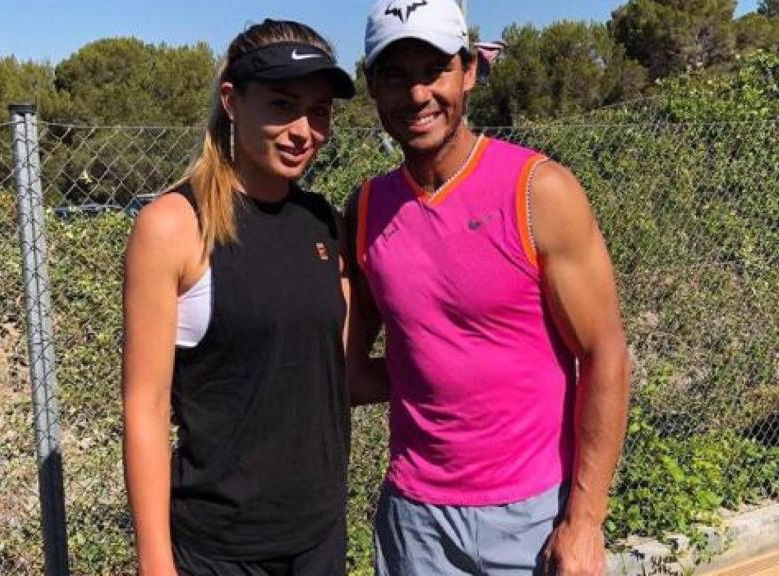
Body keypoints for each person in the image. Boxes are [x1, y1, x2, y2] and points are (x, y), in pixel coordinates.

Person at [345, 1, 632, 575]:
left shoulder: (538, 192)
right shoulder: (367, 208)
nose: (417, 94)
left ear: (470, 70)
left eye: (434, 70)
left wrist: (584, 521)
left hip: (533, 517)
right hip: (414, 523)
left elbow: (605, 356)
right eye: (395, 75)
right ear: (372, 87)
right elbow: (350, 371)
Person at [122, 19, 357, 576]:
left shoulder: (324, 223)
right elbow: (146, 409)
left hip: (319, 539)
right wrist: (156, 562)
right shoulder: (174, 226)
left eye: (320, 110)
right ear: (232, 101)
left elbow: (342, 372)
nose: (304, 130)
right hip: (219, 552)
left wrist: (466, 364)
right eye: (282, 104)